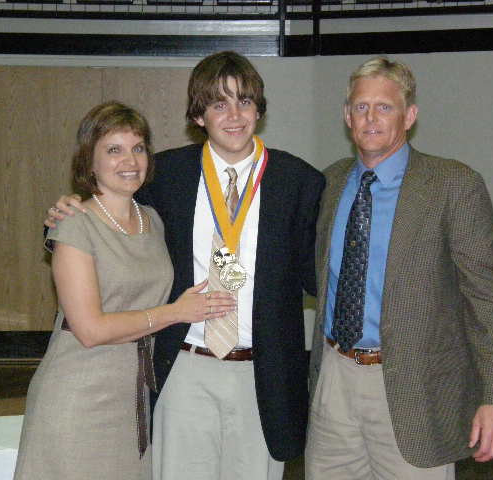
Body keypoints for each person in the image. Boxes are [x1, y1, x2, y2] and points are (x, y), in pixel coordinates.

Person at [45, 52, 325, 480]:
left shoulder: (300, 180)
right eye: (219, 104)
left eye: (244, 102)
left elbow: (317, 272)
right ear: (199, 115)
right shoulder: (165, 175)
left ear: (259, 111)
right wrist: (65, 211)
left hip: (263, 375)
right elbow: (109, 218)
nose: (234, 115)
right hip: (183, 365)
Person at [306, 57, 493, 480]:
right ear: (347, 116)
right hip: (334, 382)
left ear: (410, 115)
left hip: (413, 392)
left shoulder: (452, 184)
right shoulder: (327, 184)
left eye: (384, 107)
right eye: (361, 107)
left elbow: (488, 298)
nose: (371, 118)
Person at [15, 101, 235, 480]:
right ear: (90, 162)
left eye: (137, 148)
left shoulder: (151, 219)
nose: (129, 160)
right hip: (77, 397)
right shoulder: (74, 225)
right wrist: (176, 312)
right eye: (113, 150)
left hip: (132, 400)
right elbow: (90, 330)